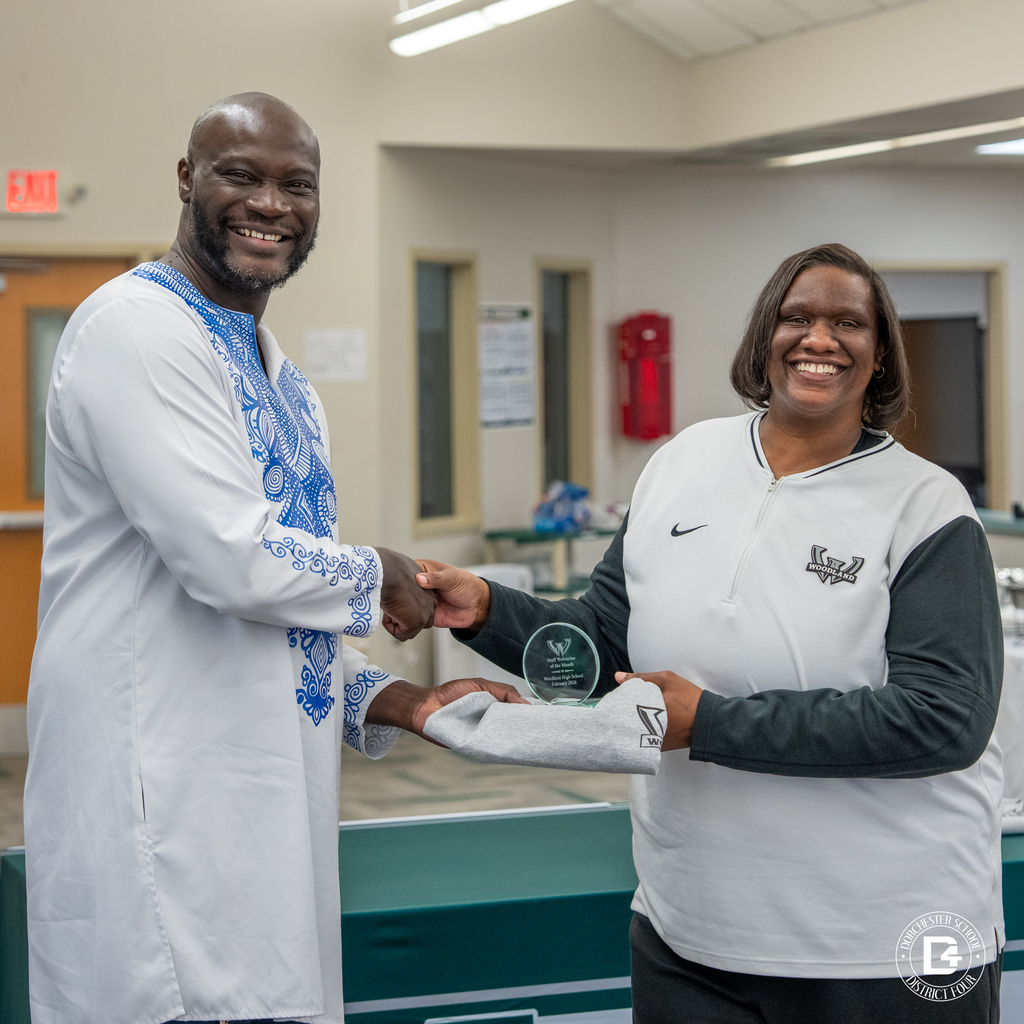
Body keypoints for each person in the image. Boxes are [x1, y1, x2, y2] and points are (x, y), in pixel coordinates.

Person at [24, 92, 523, 1024]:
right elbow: (231, 559)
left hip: (261, 795)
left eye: (298, 185)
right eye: (241, 176)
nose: (272, 205)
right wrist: (383, 575)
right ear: (186, 179)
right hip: (160, 781)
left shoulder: (280, 376)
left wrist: (403, 701)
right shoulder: (135, 328)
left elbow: (287, 604)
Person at [418, 243, 1004, 1022]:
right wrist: (487, 610)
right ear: (766, 334)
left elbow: (944, 719)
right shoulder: (682, 463)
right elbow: (605, 647)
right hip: (691, 934)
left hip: (881, 941)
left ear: (881, 353)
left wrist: (712, 724)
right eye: (797, 317)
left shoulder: (927, 509)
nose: (819, 339)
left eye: (847, 323)